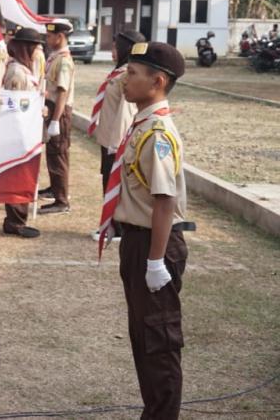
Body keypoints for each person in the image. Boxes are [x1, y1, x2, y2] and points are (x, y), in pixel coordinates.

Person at [106, 41, 190, 420]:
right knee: (143, 336)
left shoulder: (157, 133)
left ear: (157, 82)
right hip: (138, 241)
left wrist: (156, 261)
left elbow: (163, 201)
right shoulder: (141, 124)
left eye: (134, 74)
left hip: (155, 245)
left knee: (158, 339)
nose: (126, 79)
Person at [88, 30, 144, 242]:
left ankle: (117, 228)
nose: (112, 51)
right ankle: (109, 225)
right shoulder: (118, 72)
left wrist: (116, 143)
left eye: (115, 47)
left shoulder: (125, 76)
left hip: (115, 140)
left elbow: (125, 111)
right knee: (107, 181)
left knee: (115, 183)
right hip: (108, 138)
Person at [0, 28, 45, 238]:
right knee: (18, 173)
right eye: (35, 47)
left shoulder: (23, 69)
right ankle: (15, 221)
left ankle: (17, 218)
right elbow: (15, 103)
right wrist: (36, 110)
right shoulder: (17, 72)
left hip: (28, 128)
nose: (38, 52)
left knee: (24, 172)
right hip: (20, 130)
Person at [39, 18, 75, 215]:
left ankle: (61, 200)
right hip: (51, 108)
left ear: (60, 37)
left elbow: (62, 92)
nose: (47, 38)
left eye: (50, 36)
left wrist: (55, 120)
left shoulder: (63, 61)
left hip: (59, 112)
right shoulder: (55, 57)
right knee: (52, 153)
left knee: (58, 154)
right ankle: (54, 188)